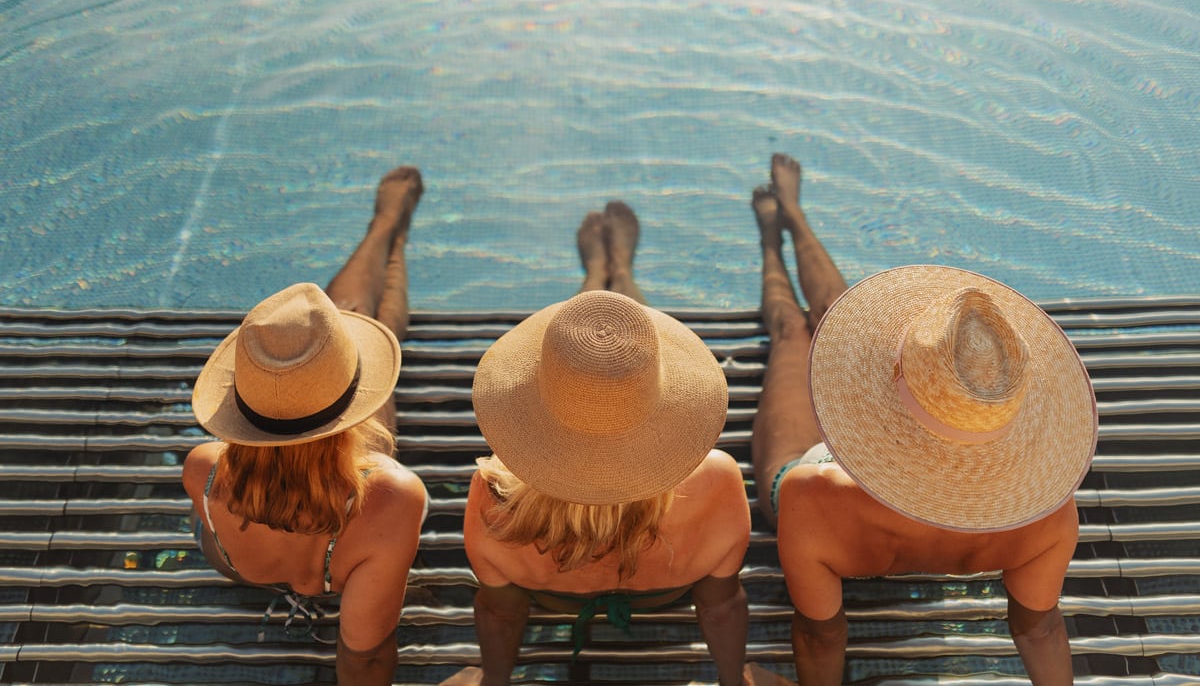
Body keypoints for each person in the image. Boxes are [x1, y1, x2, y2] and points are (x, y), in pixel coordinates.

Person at [748, 153, 1098, 686]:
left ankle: (778, 234)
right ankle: (793, 216)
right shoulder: (1048, 512)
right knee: (822, 320)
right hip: (942, 510)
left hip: (826, 487)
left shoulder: (805, 493)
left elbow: (821, 634)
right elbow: (1038, 630)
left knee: (794, 333)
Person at [444, 201, 752, 686]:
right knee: (619, 350)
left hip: (551, 597)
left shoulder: (494, 495)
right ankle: (618, 273)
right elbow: (720, 605)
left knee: (585, 351)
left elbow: (501, 614)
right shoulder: (716, 479)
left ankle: (596, 280)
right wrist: (736, 682)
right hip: (664, 593)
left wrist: (492, 682)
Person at [183, 167, 429, 686]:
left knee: (347, 311)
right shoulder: (393, 496)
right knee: (357, 316)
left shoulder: (201, 466)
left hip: (237, 566)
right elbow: (362, 656)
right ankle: (389, 231)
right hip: (338, 567)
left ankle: (385, 230)